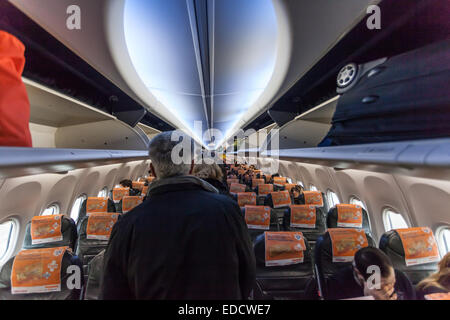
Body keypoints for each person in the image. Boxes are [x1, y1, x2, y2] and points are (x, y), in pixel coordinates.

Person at [101, 131, 256, 299]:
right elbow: (247, 272)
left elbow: (113, 291)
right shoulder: (228, 210)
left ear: (152, 170)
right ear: (191, 166)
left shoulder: (127, 225)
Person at [326, 247, 416, 300]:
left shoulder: (401, 278)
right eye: (380, 287)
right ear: (359, 274)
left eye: (392, 282)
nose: (390, 289)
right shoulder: (336, 286)